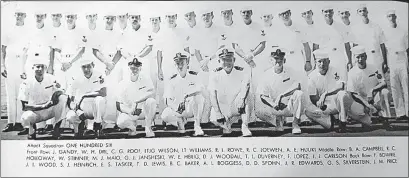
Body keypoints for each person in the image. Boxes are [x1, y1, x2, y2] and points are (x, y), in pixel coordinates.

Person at [305, 49, 371, 133]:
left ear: (329, 61)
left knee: (342, 94)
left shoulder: (335, 70)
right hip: (326, 106)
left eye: (325, 61)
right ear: (315, 62)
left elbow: (341, 86)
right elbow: (313, 96)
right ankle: (329, 121)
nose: (322, 64)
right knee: (308, 111)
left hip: (339, 102)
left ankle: (342, 121)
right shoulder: (312, 76)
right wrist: (318, 103)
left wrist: (325, 93)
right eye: (319, 61)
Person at [273, 8, 312, 125]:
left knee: (302, 85)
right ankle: (287, 116)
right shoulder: (278, 30)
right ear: (279, 17)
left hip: (298, 58)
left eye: (286, 13)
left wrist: (308, 61)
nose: (285, 16)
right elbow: (275, 48)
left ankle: (304, 116)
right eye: (282, 14)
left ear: (290, 14)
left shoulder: (299, 27)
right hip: (285, 59)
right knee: (286, 86)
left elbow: (306, 46)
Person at [18, 49, 69, 139]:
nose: (40, 69)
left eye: (42, 67)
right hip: (36, 112)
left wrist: (57, 93)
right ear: (33, 68)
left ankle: (56, 128)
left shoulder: (51, 78)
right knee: (25, 118)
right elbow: (24, 106)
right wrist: (43, 106)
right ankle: (31, 129)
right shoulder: (26, 83)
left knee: (63, 98)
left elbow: (61, 91)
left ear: (45, 68)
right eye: (38, 67)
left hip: (49, 110)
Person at [255, 46, 304, 134]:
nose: (278, 62)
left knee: (299, 94)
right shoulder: (266, 75)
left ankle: (295, 123)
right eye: (275, 59)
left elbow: (298, 86)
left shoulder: (290, 71)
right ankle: (278, 121)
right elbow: (263, 95)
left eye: (280, 60)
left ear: (284, 60)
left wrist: (282, 95)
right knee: (259, 111)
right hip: (274, 106)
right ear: (271, 60)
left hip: (288, 105)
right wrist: (273, 104)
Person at [208, 47, 252, 137]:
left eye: (229, 59)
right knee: (213, 119)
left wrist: (242, 99)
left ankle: (245, 126)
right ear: (219, 61)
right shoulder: (214, 74)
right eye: (223, 60)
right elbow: (212, 94)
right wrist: (217, 112)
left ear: (234, 60)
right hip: (222, 106)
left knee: (248, 95)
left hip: (237, 105)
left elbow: (246, 85)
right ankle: (227, 125)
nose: (227, 62)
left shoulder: (241, 72)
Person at [161, 52, 206, 136]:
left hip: (191, 108)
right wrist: (175, 108)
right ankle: (180, 122)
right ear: (175, 65)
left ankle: (197, 126)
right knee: (165, 115)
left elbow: (201, 89)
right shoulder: (172, 80)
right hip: (178, 109)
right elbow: (167, 100)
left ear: (187, 63)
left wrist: (187, 94)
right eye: (178, 63)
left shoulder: (194, 77)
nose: (180, 66)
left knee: (199, 97)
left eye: (182, 63)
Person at [192, 9, 223, 126]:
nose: (206, 17)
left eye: (208, 15)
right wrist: (202, 63)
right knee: (203, 92)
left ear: (212, 15)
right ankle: (204, 118)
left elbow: (221, 48)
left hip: (214, 62)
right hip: (202, 64)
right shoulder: (198, 31)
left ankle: (213, 117)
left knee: (213, 90)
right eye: (203, 15)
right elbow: (196, 51)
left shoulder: (219, 30)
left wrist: (208, 59)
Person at [1, 5, 29, 133]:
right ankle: (10, 122)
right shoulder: (8, 30)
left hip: (21, 64)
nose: (18, 17)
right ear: (14, 16)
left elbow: (28, 50)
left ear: (25, 16)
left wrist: (25, 68)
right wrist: (2, 65)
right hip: (9, 63)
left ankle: (19, 122)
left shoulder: (28, 31)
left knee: (20, 94)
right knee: (10, 94)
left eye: (21, 14)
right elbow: (3, 49)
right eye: (17, 14)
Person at [66, 56, 107, 138]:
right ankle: (80, 128)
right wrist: (77, 110)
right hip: (82, 108)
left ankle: (97, 127)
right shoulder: (76, 78)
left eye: (89, 66)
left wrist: (85, 95)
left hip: (95, 108)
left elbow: (103, 92)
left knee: (99, 100)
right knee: (70, 116)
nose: (86, 69)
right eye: (84, 67)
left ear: (93, 65)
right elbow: (70, 99)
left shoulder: (99, 75)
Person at [348, 46, 391, 121]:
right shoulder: (352, 72)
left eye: (362, 56)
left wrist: (373, 90)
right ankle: (370, 114)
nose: (360, 59)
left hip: (374, 97)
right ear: (354, 58)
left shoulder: (373, 68)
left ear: (366, 57)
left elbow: (383, 83)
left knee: (385, 92)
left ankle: (385, 117)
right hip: (361, 100)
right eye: (358, 57)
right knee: (366, 122)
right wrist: (367, 104)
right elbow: (352, 93)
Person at [116, 58, 157, 137]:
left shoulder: (145, 78)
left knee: (151, 101)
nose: (134, 70)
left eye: (137, 68)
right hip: (130, 111)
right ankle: (132, 128)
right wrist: (129, 111)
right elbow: (118, 104)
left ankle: (148, 127)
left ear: (140, 68)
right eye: (132, 68)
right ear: (128, 68)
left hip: (143, 110)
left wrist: (137, 101)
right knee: (120, 122)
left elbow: (152, 92)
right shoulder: (123, 83)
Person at [383, 10, 408, 120]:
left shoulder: (403, 31)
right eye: (389, 16)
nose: (391, 18)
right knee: (394, 87)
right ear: (387, 18)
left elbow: (408, 49)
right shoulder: (385, 32)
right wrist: (386, 63)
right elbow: (384, 48)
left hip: (402, 58)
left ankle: (408, 112)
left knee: (406, 86)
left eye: (392, 16)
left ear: (396, 17)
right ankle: (400, 112)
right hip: (392, 59)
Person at [315, 6, 352, 81]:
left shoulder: (341, 27)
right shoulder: (318, 28)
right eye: (326, 11)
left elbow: (347, 45)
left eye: (330, 11)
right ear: (322, 12)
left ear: (333, 12)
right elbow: (315, 46)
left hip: (339, 58)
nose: (328, 13)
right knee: (328, 81)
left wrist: (350, 61)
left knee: (342, 80)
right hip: (325, 60)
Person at [350, 4, 388, 75]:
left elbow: (382, 45)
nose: (362, 12)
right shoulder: (355, 29)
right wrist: (354, 61)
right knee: (367, 82)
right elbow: (355, 46)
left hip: (376, 58)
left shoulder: (376, 26)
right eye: (360, 11)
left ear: (367, 12)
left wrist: (385, 61)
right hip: (363, 59)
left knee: (379, 80)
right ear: (357, 13)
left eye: (364, 10)